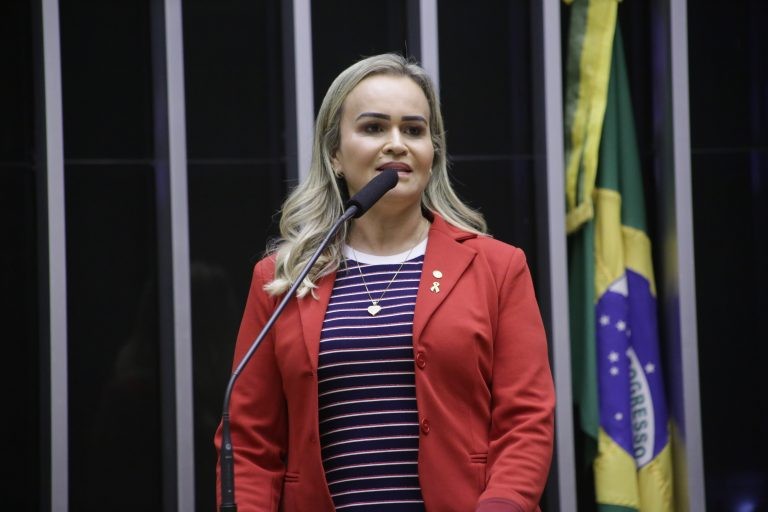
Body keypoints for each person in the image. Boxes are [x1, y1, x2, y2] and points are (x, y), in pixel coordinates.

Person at [216, 53, 555, 512]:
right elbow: (251, 442)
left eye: (413, 130)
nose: (396, 144)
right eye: (374, 128)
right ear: (334, 153)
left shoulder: (496, 267)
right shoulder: (282, 278)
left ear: (433, 154)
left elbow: (526, 421)